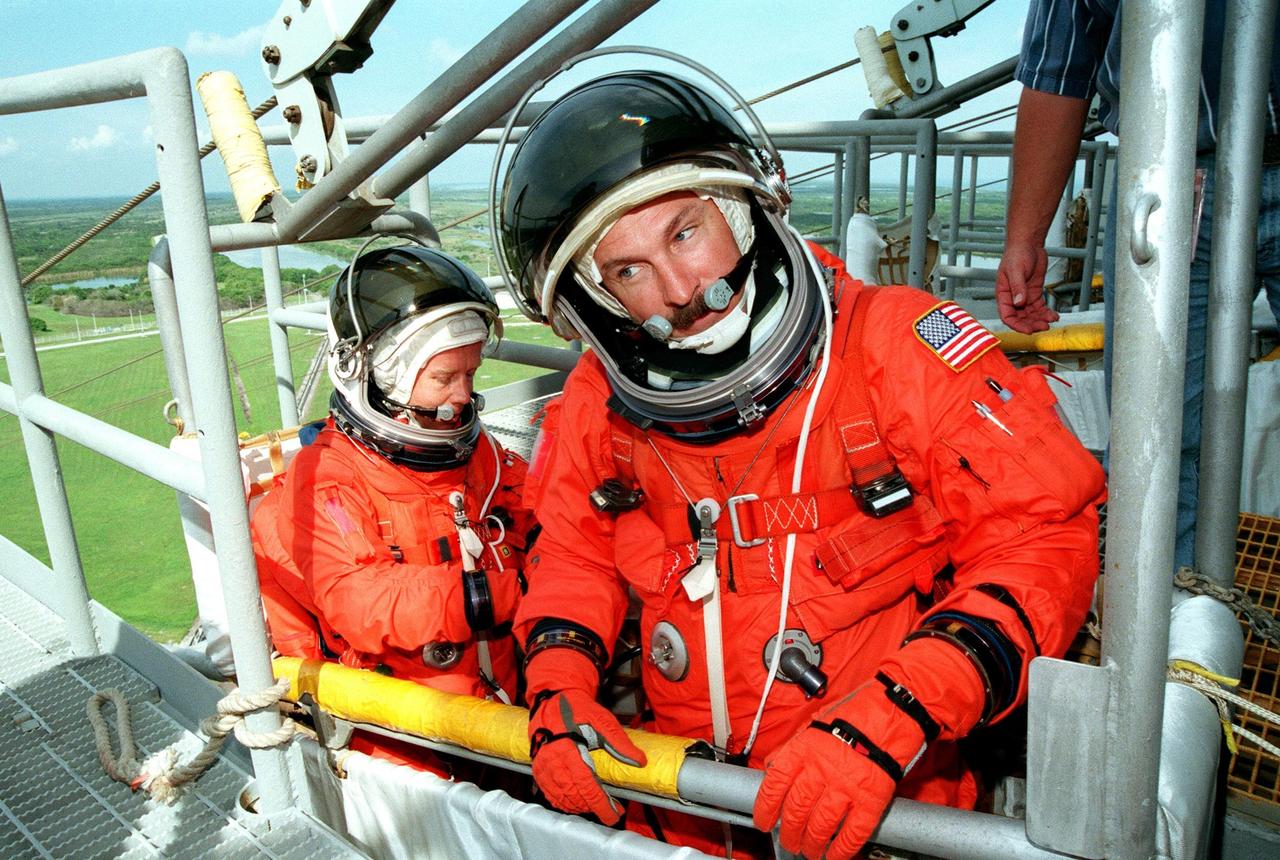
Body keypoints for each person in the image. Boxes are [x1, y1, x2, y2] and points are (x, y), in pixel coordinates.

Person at [496, 70, 1105, 859]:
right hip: (683, 804)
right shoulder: (600, 402)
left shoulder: (890, 346)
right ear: (600, 298)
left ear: (746, 212)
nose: (684, 292)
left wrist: (899, 713)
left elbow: (1041, 540)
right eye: (629, 270)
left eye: (686, 233)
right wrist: (558, 683)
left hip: (887, 793)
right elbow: (573, 557)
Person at [997, 0, 1280, 569]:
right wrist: (1025, 235)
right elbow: (1061, 67)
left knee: (1161, 436)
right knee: (1156, 440)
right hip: (1172, 179)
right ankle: (1168, 624)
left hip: (1175, 181)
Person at [251, 243, 535, 765]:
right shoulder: (328, 477)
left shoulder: (480, 456)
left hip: (503, 716)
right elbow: (360, 599)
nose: (461, 399)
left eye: (470, 375)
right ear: (380, 376)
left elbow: (537, 511)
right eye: (445, 378)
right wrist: (495, 594)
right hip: (403, 741)